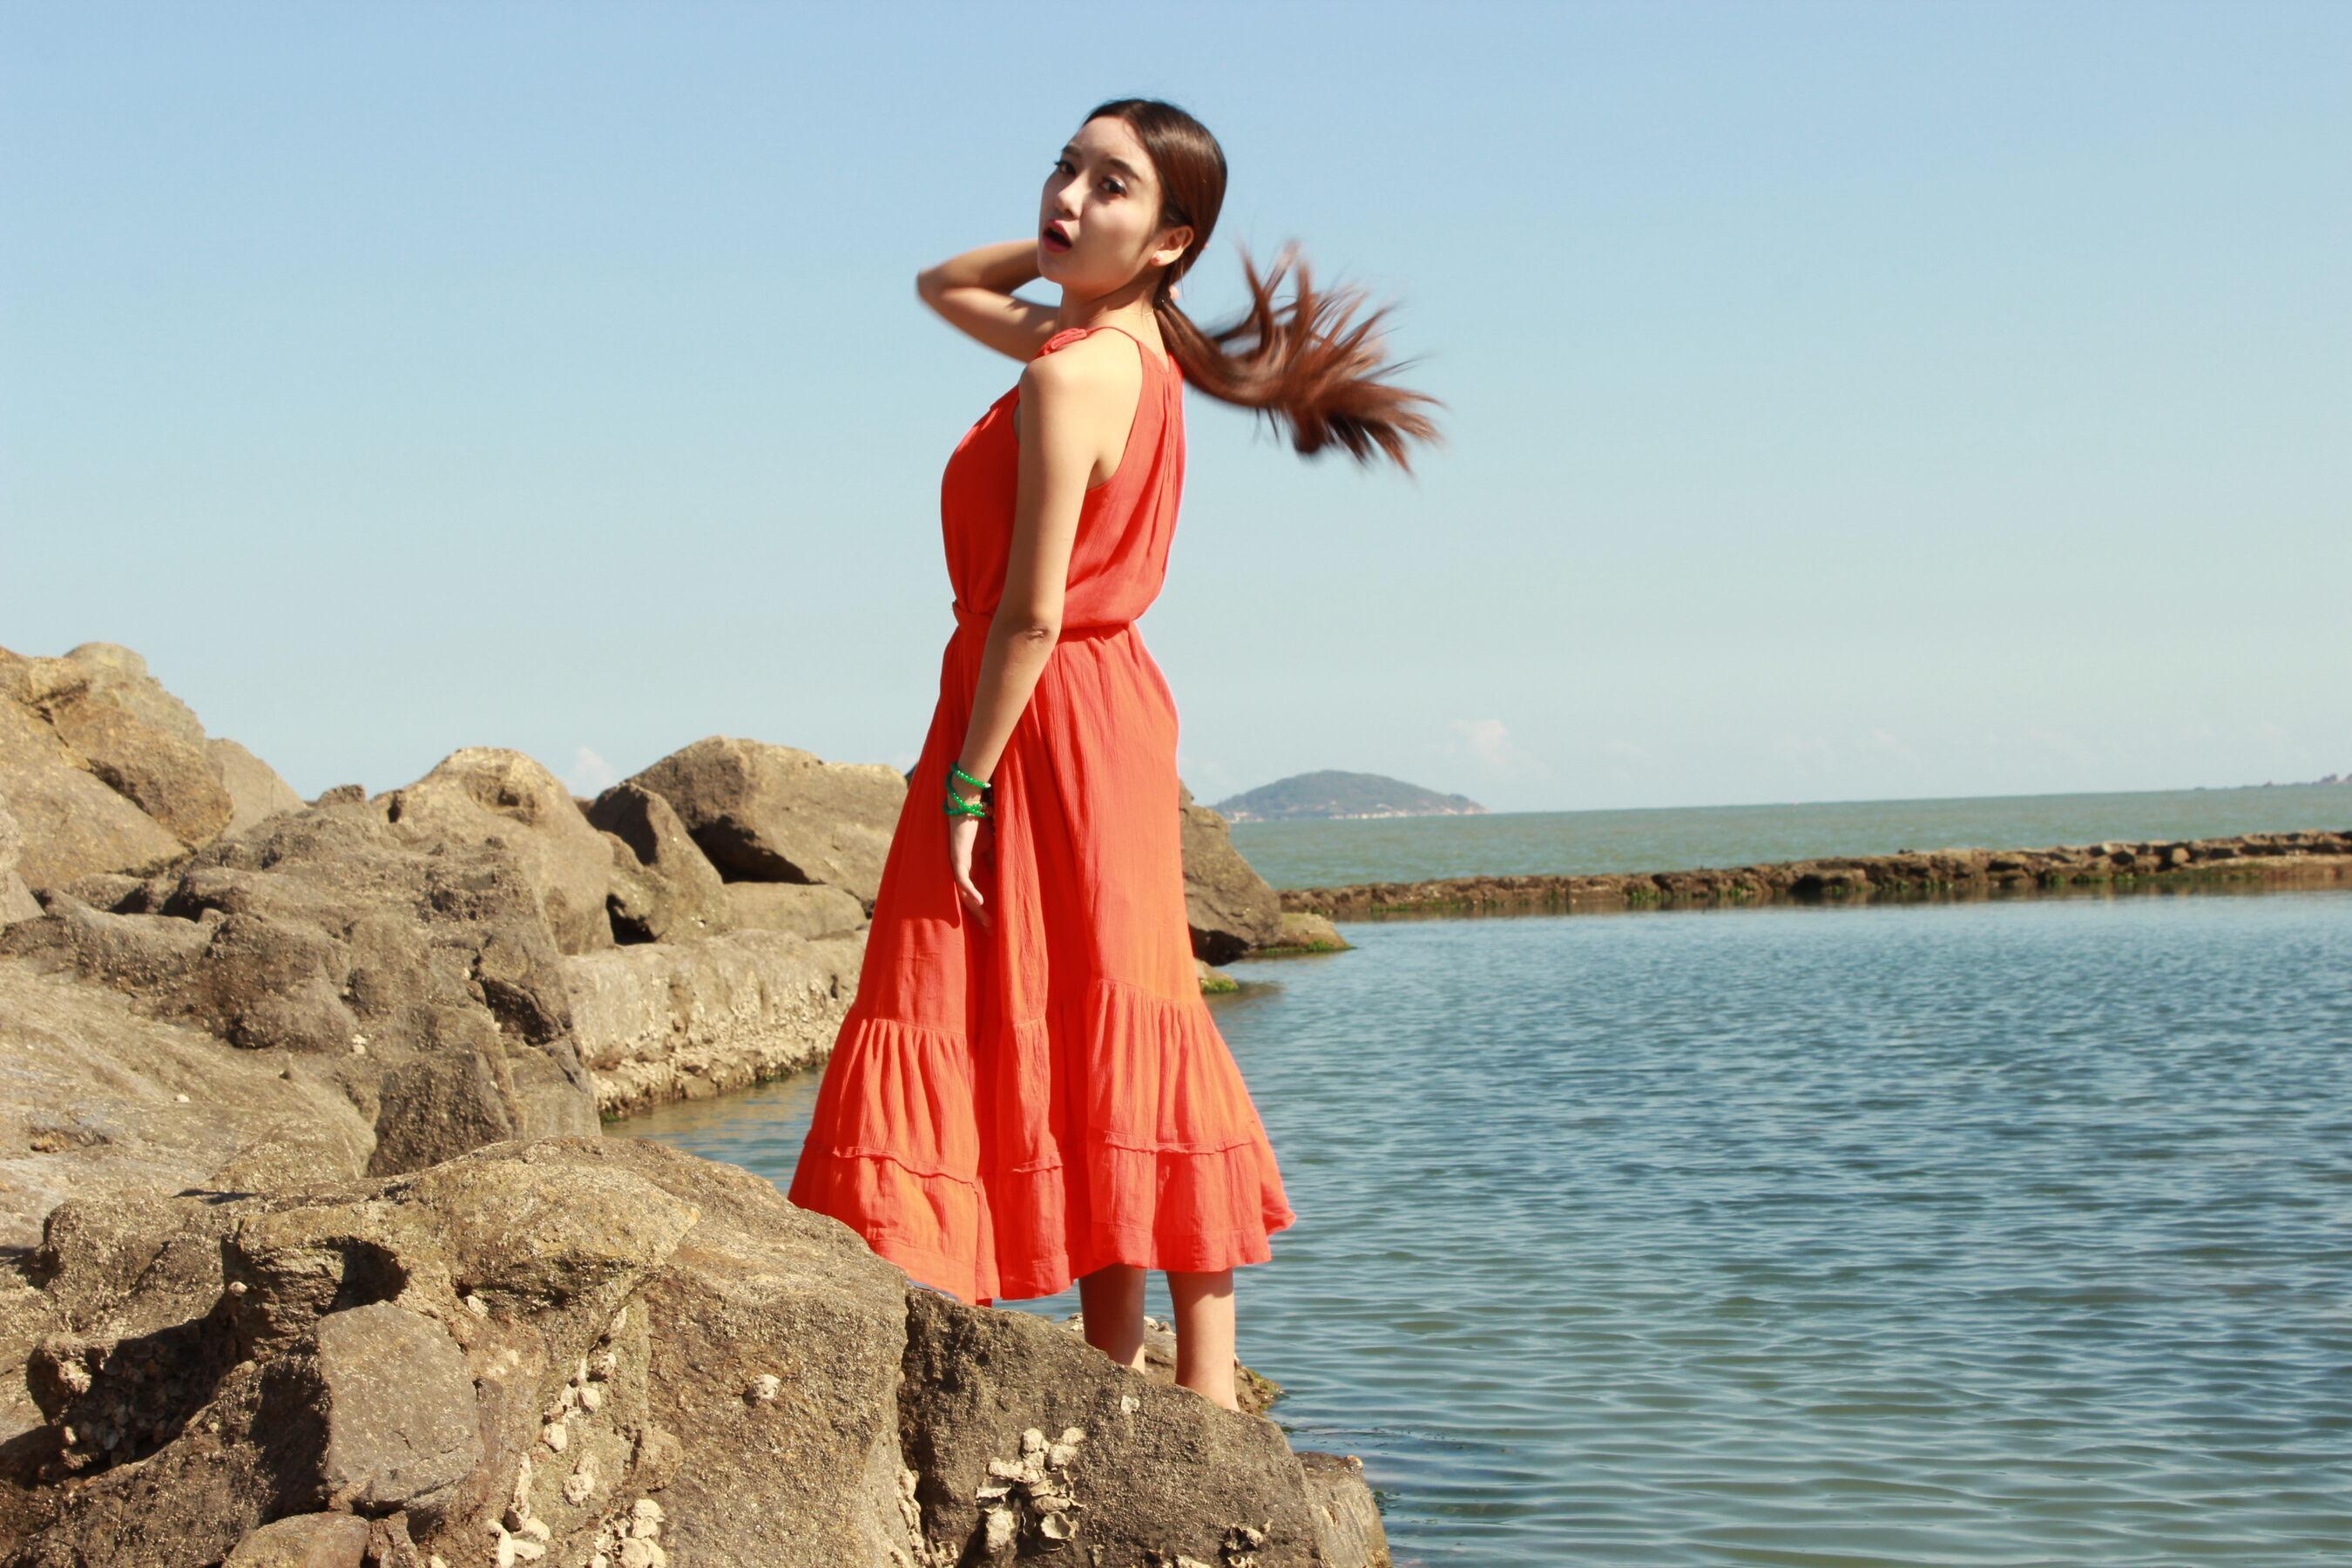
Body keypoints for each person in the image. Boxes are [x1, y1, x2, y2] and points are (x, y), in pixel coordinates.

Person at [787, 97, 1443, 1412]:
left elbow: (1031, 614)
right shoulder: (1120, 354)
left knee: (1003, 986)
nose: (1069, 198)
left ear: (1172, 237)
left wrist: (964, 785)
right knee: (1117, 1004)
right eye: (1062, 170)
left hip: (1038, 710)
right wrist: (1077, 257)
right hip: (1106, 708)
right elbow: (943, 284)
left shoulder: (1070, 370)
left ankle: (1169, 1380)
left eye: (1111, 186)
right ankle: (1158, 1373)